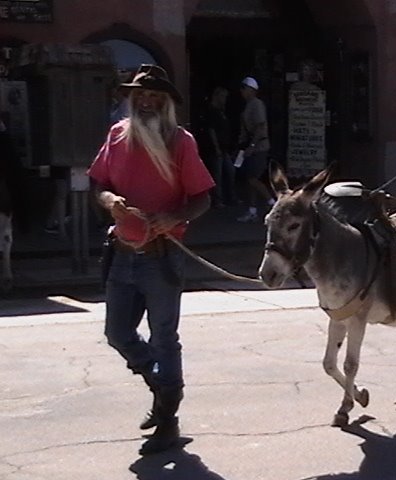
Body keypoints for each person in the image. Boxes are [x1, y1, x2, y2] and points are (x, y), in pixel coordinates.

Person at [87, 64, 215, 455]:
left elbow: (202, 198)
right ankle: (163, 394)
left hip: (162, 257)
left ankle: (168, 421)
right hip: (122, 252)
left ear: (166, 104)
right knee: (117, 334)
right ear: (131, 100)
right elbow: (99, 183)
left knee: (164, 339)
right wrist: (110, 201)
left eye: (154, 97)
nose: (146, 102)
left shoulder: (181, 142)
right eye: (140, 96)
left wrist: (174, 217)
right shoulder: (117, 135)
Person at [235, 76, 275, 222]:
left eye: (244, 88)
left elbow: (259, 126)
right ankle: (252, 210)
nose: (242, 92)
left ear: (251, 90)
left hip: (258, 147)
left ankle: (273, 202)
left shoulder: (256, 104)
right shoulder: (248, 105)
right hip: (250, 146)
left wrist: (252, 146)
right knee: (249, 178)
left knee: (252, 178)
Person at [205, 86, 236, 206]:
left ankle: (230, 197)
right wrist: (216, 147)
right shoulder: (212, 111)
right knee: (217, 175)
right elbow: (211, 130)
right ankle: (218, 200)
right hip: (216, 149)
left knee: (230, 171)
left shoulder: (221, 111)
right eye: (223, 96)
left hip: (224, 148)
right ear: (217, 96)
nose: (224, 99)